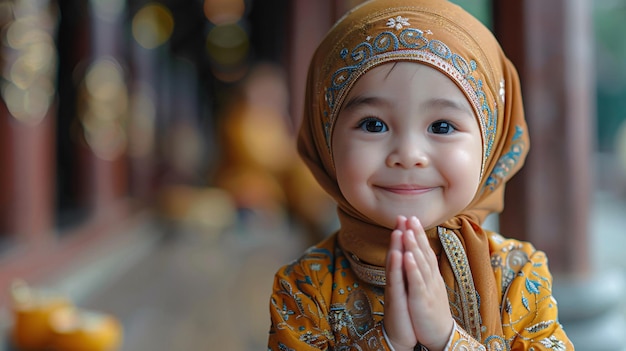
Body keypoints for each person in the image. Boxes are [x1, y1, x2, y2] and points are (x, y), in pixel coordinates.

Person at [267, 0, 574, 350]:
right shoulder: (303, 288)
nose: (409, 155)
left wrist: (447, 338)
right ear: (324, 141)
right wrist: (388, 342)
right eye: (373, 124)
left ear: (490, 143)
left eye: (442, 126)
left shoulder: (518, 275)